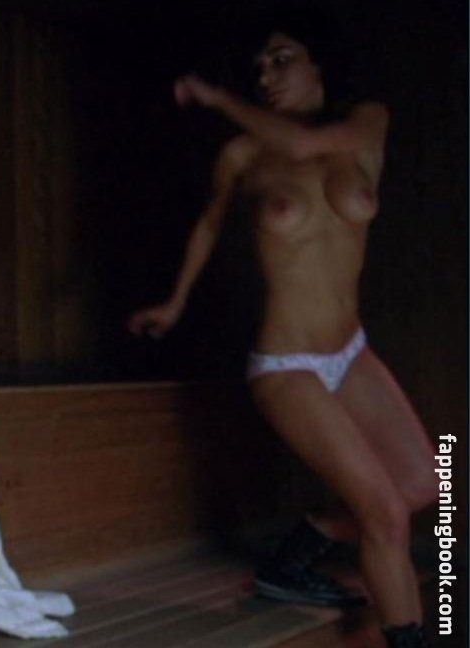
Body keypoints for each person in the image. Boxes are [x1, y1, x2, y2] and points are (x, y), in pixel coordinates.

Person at [127, 12, 437, 648]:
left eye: (281, 58)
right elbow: (209, 225)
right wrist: (175, 304)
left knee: (426, 484)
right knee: (383, 515)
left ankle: (296, 553)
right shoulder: (242, 154)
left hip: (350, 350)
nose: (266, 75)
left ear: (319, 64)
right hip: (287, 362)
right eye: (259, 68)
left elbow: (302, 145)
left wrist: (217, 97)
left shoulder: (365, 123)